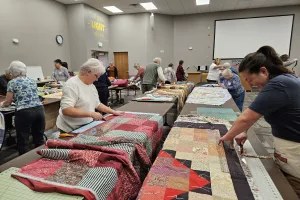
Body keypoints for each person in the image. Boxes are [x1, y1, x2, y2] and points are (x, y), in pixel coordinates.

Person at [219, 46, 300, 197]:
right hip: (289, 146)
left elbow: (246, 117)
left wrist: (227, 137)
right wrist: (244, 130)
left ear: (263, 71)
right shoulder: (283, 80)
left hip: (295, 151)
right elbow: (258, 113)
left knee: (291, 192)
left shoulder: (279, 84)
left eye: (250, 80)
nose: (250, 85)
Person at [56, 58, 123, 133]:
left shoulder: (91, 85)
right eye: (96, 76)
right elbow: (67, 110)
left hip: (86, 125)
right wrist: (91, 114)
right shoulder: (71, 85)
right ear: (89, 72)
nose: (97, 79)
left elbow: (97, 104)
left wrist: (113, 112)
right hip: (70, 128)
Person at [0, 61, 45, 155]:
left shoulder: (12, 82)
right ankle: (43, 159)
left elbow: (8, 102)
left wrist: (2, 104)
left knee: (23, 140)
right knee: (39, 139)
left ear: (12, 71)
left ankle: (25, 163)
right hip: (40, 110)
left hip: (25, 112)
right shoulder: (32, 80)